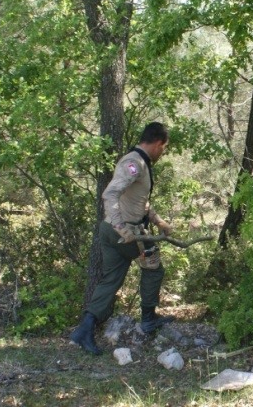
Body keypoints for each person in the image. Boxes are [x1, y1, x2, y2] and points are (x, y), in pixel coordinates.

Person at [71, 122, 175, 355]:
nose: (163, 153)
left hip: (110, 231)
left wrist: (159, 222)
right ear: (158, 143)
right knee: (154, 269)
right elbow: (110, 194)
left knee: (111, 279)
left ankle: (84, 329)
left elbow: (139, 201)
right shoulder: (135, 164)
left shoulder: (139, 163)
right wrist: (122, 227)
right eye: (164, 148)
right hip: (127, 233)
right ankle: (148, 319)